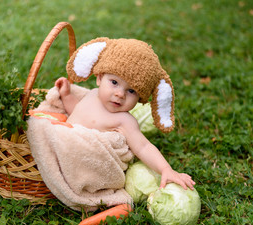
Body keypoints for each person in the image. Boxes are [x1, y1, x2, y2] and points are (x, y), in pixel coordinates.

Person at [55, 37, 195, 190]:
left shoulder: (124, 121)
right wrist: (66, 96)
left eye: (131, 91)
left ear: (140, 98)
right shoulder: (92, 94)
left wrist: (166, 169)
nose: (120, 94)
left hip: (79, 158)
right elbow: (77, 112)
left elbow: (143, 147)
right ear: (100, 78)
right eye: (114, 82)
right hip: (62, 142)